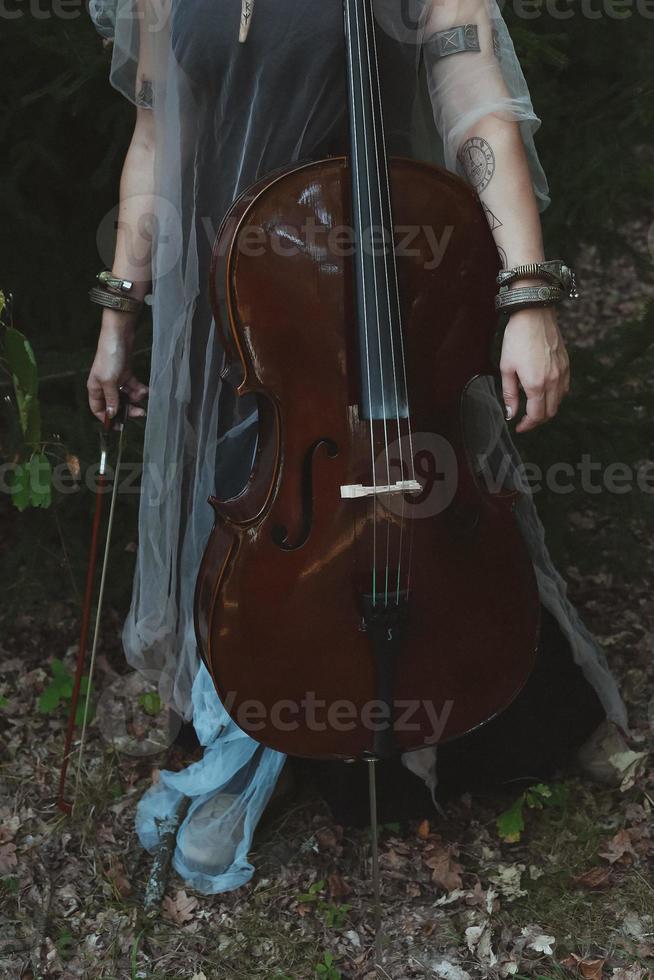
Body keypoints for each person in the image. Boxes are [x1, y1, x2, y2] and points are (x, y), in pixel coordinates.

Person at [85, 0, 630, 893]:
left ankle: (446, 718)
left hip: (366, 290)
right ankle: (264, 720)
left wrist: (528, 294)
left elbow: (473, 95)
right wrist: (119, 312)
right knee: (254, 513)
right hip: (239, 307)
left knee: (409, 500)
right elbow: (155, 138)